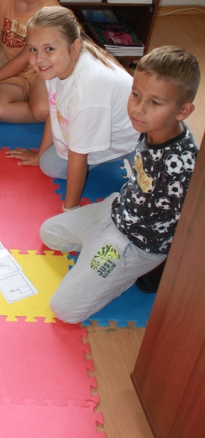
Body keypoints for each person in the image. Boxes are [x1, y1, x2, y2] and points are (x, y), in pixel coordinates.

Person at [39, 46, 200, 323]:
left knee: (64, 310)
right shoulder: (150, 127)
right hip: (117, 209)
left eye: (155, 103)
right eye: (136, 95)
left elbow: (189, 227)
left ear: (183, 110)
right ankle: (97, 250)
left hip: (135, 243)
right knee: (48, 233)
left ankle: (123, 272)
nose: (138, 109)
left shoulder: (182, 166)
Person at [7, 6, 139, 209]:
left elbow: (78, 158)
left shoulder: (85, 91)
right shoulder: (56, 65)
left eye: (49, 48)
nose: (38, 58)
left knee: (55, 165)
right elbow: (55, 110)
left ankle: (123, 160)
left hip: (127, 141)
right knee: (47, 163)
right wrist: (39, 154)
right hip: (96, 121)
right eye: (33, 49)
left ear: (74, 47)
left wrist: (69, 210)